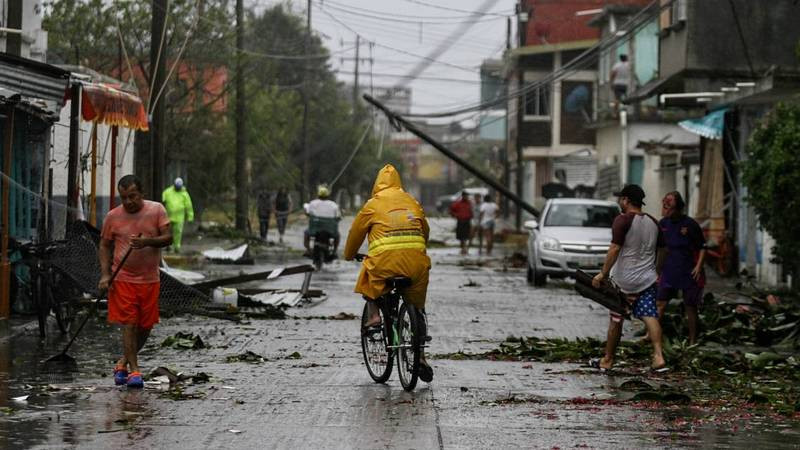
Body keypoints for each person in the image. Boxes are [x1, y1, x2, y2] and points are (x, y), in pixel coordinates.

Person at [344, 164, 433, 382]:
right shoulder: (412, 201)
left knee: (368, 270)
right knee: (418, 307)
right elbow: (425, 231)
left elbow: (356, 234)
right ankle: (420, 356)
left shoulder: (372, 205)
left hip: (384, 264)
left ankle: (374, 315)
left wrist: (349, 255)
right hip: (416, 263)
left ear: (377, 184)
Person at [99, 175, 172, 388]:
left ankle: (122, 362)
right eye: (124, 198)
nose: (129, 202)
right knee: (129, 324)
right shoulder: (113, 217)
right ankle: (134, 371)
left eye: (133, 196)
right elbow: (104, 245)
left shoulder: (156, 210)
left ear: (142, 194)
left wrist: (146, 242)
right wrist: (105, 275)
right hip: (122, 279)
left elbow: (168, 238)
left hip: (150, 279)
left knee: (145, 326)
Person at [591, 184, 667, 372]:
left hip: (623, 282)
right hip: (647, 279)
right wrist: (656, 271)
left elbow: (615, 249)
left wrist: (603, 273)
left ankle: (608, 360)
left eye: (621, 199)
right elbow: (663, 250)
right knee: (650, 315)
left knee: (616, 319)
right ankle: (658, 356)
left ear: (626, 200)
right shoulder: (653, 222)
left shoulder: (622, 220)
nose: (619, 202)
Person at [656, 191, 706, 344]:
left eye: (669, 204)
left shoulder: (690, 224)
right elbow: (659, 249)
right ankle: (652, 336)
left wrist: (698, 267)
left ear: (678, 207)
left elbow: (703, 247)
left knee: (690, 307)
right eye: (665, 203)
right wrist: (657, 269)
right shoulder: (663, 224)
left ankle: (692, 340)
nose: (665, 207)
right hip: (669, 269)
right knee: (660, 303)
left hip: (688, 270)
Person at [304, 185, 341, 257]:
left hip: (314, 230)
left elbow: (308, 213)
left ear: (318, 195)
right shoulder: (333, 205)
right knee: (337, 236)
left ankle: (308, 250)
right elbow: (338, 216)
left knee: (306, 233)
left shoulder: (312, 203)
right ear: (328, 195)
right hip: (330, 231)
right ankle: (334, 251)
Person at [161, 177, 194, 253]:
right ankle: (168, 246)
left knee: (178, 233)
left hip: (179, 218)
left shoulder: (184, 194)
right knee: (168, 232)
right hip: (169, 216)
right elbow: (163, 200)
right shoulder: (168, 191)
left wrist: (190, 217)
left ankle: (177, 247)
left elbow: (189, 206)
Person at [449, 191, 472, 255]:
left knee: (466, 236)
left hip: (467, 221)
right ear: (463, 196)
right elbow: (451, 210)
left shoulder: (470, 203)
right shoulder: (458, 203)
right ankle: (463, 248)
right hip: (460, 221)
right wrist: (455, 215)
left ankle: (464, 249)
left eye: (467, 196)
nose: (467, 197)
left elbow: (472, 211)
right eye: (465, 196)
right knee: (461, 237)